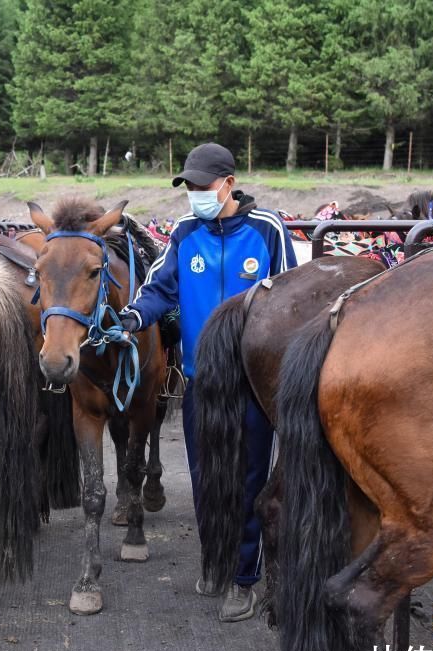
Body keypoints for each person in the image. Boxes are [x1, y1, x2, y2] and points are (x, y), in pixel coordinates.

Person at [119, 142, 297, 622]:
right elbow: (159, 289)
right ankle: (214, 560)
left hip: (253, 387)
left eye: (203, 186)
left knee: (249, 479)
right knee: (204, 479)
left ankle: (243, 579)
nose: (195, 194)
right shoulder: (184, 233)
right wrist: (133, 316)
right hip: (202, 383)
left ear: (228, 184)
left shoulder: (268, 230)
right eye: (189, 187)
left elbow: (293, 298)